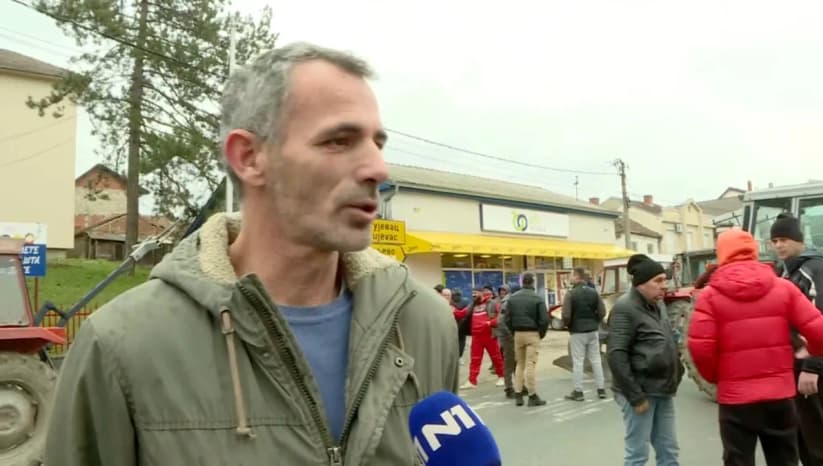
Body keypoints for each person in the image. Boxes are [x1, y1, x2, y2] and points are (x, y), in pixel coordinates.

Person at [45, 42, 459, 466]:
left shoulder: (424, 323)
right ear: (249, 157)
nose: (378, 168)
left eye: (378, 142)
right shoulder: (120, 345)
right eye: (339, 140)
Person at [688, 229, 823, 466]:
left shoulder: (710, 296)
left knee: (738, 460)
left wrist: (716, 378)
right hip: (780, 395)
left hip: (736, 401)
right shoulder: (784, 288)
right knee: (784, 459)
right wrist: (811, 351)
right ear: (753, 251)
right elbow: (822, 331)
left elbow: (700, 348)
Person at [608, 254, 683, 466]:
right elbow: (616, 354)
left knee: (669, 450)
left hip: (662, 389)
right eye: (658, 281)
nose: (664, 285)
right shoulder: (625, 308)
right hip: (641, 393)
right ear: (641, 284)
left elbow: (666, 338)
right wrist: (635, 397)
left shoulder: (657, 305)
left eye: (665, 279)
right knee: (638, 455)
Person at [770, 212, 823, 465]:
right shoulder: (785, 272)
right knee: (803, 439)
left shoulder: (814, 268)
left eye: (784, 239)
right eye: (774, 241)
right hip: (795, 369)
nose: (779, 245)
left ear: (799, 240)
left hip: (815, 372)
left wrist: (813, 366)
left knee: (819, 443)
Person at [504, 273, 549, 407]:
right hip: (532, 333)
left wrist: (514, 331)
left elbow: (506, 319)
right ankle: (532, 395)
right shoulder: (537, 298)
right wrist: (540, 334)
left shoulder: (512, 298)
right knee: (530, 365)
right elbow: (545, 319)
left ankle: (518, 394)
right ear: (533, 282)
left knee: (520, 364)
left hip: (518, 334)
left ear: (522, 282)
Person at [562, 267, 607, 401]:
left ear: (577, 277)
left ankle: (578, 392)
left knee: (578, 362)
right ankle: (601, 389)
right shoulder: (594, 293)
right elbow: (603, 312)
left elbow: (566, 315)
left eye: (571, 275)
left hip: (577, 332)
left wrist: (569, 325)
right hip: (593, 331)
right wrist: (595, 321)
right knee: (596, 360)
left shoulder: (570, 294)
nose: (570, 278)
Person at [460, 287, 505, 389]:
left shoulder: (492, 304)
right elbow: (462, 313)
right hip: (476, 337)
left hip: (489, 336)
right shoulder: (472, 305)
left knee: (496, 358)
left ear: (482, 293)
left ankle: (502, 377)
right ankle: (472, 381)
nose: (473, 295)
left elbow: (501, 317)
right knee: (475, 359)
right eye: (472, 294)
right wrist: (450, 309)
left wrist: (490, 323)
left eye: (475, 293)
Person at [495, 284, 517, 398]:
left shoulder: (509, 300)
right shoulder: (507, 301)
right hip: (507, 338)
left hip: (510, 336)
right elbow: (501, 321)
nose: (502, 292)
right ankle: (509, 387)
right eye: (501, 290)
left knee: (516, 362)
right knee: (509, 362)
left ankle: (519, 385)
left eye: (504, 290)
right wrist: (511, 335)